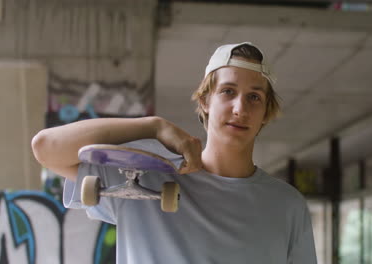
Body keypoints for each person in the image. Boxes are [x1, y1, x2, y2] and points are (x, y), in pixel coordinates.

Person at [32, 42, 318, 264]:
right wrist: (154, 126)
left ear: (266, 111)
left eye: (254, 97)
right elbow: (46, 148)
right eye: (228, 91)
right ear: (206, 101)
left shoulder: (286, 206)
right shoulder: (146, 178)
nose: (240, 108)